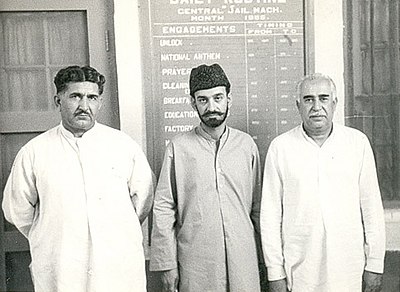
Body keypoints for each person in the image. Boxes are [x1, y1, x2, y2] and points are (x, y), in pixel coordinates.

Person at [2, 65, 154, 292]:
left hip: (115, 267)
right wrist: (53, 230)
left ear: (100, 102)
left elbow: (142, 200)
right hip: (61, 268)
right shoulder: (34, 152)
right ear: (58, 101)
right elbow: (17, 210)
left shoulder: (123, 146)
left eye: (92, 97)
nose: (84, 106)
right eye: (75, 96)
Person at [260, 73, 386, 292]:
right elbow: (270, 217)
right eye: (308, 99)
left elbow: (372, 208)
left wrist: (375, 264)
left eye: (323, 98)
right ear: (298, 105)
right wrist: (275, 273)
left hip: (348, 270)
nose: (316, 106)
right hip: (299, 272)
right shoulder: (280, 148)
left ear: (335, 103)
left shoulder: (357, 143)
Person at [150, 63, 264, 292]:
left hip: (244, 262)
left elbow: (258, 208)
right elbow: (163, 208)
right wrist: (167, 265)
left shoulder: (246, 146)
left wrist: (267, 262)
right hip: (196, 265)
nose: (212, 106)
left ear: (229, 99)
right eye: (203, 100)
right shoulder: (178, 148)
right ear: (193, 103)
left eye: (218, 98)